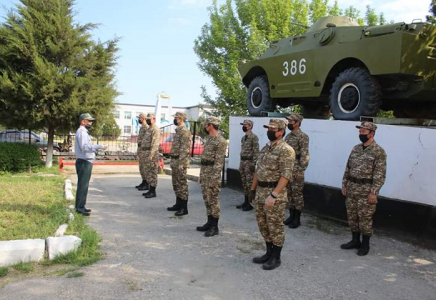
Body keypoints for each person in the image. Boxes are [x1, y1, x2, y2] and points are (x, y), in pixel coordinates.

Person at [249, 119, 295, 270]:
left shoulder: (286, 150)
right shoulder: (266, 148)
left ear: (281, 131)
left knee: (275, 226)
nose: (269, 130)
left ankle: (276, 257)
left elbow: (285, 176)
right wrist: (252, 190)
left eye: (272, 128)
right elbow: (258, 170)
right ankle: (268, 252)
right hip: (261, 191)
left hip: (274, 193)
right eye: (268, 128)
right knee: (263, 224)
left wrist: (274, 195)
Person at [341, 121, 387, 256]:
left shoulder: (378, 151)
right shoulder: (356, 148)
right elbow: (348, 167)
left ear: (371, 134)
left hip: (366, 190)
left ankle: (365, 245)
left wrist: (374, 192)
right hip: (352, 188)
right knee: (352, 216)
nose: (360, 134)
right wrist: (344, 184)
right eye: (360, 131)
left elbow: (380, 174)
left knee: (365, 218)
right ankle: (355, 240)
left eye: (363, 132)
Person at [196, 117, 227, 237]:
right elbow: (204, 160)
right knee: (206, 199)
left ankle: (215, 226)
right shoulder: (209, 139)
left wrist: (213, 179)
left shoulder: (221, 141)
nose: (205, 126)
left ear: (211, 125)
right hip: (205, 172)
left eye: (206, 124)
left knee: (213, 200)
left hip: (212, 174)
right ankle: (209, 223)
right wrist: (200, 175)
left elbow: (219, 162)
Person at [74, 113, 107, 216]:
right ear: (83, 121)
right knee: (83, 185)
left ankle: (81, 206)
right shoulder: (82, 132)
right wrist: (99, 146)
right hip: (84, 161)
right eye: (89, 121)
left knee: (84, 185)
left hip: (85, 161)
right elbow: (85, 147)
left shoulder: (83, 132)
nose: (91, 123)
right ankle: (79, 208)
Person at [283, 113, 310, 229]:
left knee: (297, 194)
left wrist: (301, 170)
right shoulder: (288, 137)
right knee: (289, 193)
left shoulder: (303, 136)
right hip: (288, 169)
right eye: (288, 121)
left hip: (297, 168)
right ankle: (291, 216)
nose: (289, 123)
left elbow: (305, 155)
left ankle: (297, 219)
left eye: (291, 121)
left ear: (297, 123)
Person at [167, 112, 192, 216]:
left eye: (176, 118)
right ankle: (178, 204)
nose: (175, 119)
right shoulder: (178, 130)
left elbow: (185, 148)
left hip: (180, 162)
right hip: (175, 160)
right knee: (176, 183)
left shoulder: (184, 131)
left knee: (181, 184)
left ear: (181, 119)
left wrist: (182, 162)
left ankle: (184, 208)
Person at [236, 119, 259, 211]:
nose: (244, 126)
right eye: (243, 124)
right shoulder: (243, 138)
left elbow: (256, 151)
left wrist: (253, 164)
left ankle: (250, 203)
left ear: (250, 126)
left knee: (250, 183)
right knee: (244, 183)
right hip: (243, 162)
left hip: (249, 163)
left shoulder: (254, 137)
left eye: (245, 125)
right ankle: (245, 202)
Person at [141, 113, 161, 198]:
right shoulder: (149, 129)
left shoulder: (155, 129)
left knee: (152, 172)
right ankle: (150, 189)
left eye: (150, 118)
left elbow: (155, 143)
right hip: (146, 153)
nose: (148, 120)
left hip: (151, 154)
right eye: (147, 118)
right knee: (147, 172)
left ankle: (153, 191)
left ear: (154, 119)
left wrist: (151, 154)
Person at [135, 113, 149, 191]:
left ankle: (146, 183)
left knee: (144, 167)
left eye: (140, 118)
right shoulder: (142, 127)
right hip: (140, 149)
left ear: (143, 118)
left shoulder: (146, 127)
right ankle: (143, 181)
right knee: (141, 167)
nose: (138, 119)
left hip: (144, 149)